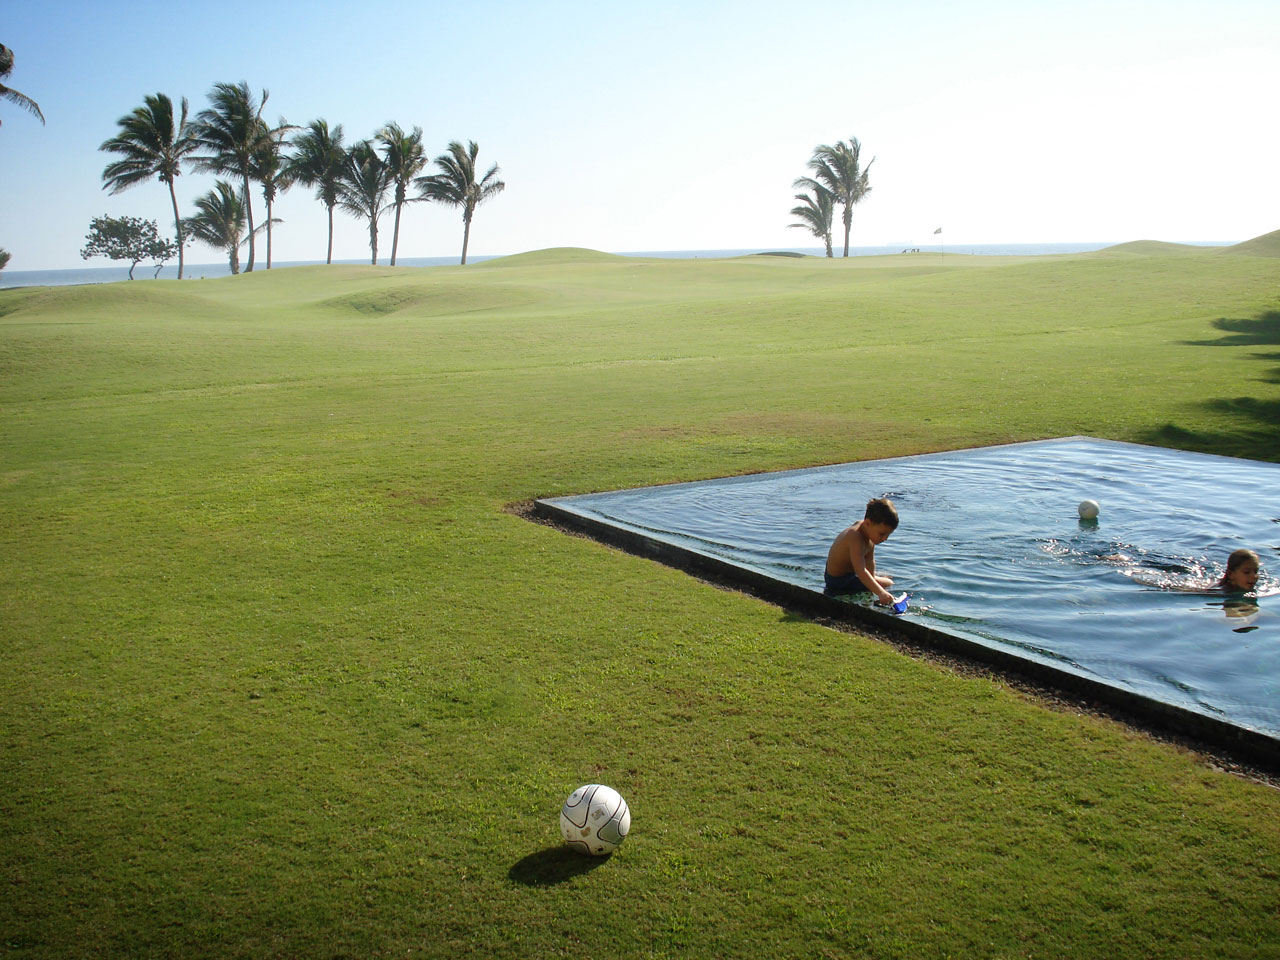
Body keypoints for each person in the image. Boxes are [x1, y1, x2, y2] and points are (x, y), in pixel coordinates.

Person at [824, 497, 899, 604]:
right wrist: (881, 592)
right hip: (838, 581)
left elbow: (869, 560)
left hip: (849, 574)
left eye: (888, 535)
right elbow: (861, 571)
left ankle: (876, 586)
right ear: (868, 523)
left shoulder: (868, 531)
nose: (885, 538)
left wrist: (873, 577)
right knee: (888, 583)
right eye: (882, 534)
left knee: (883, 579)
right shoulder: (855, 537)